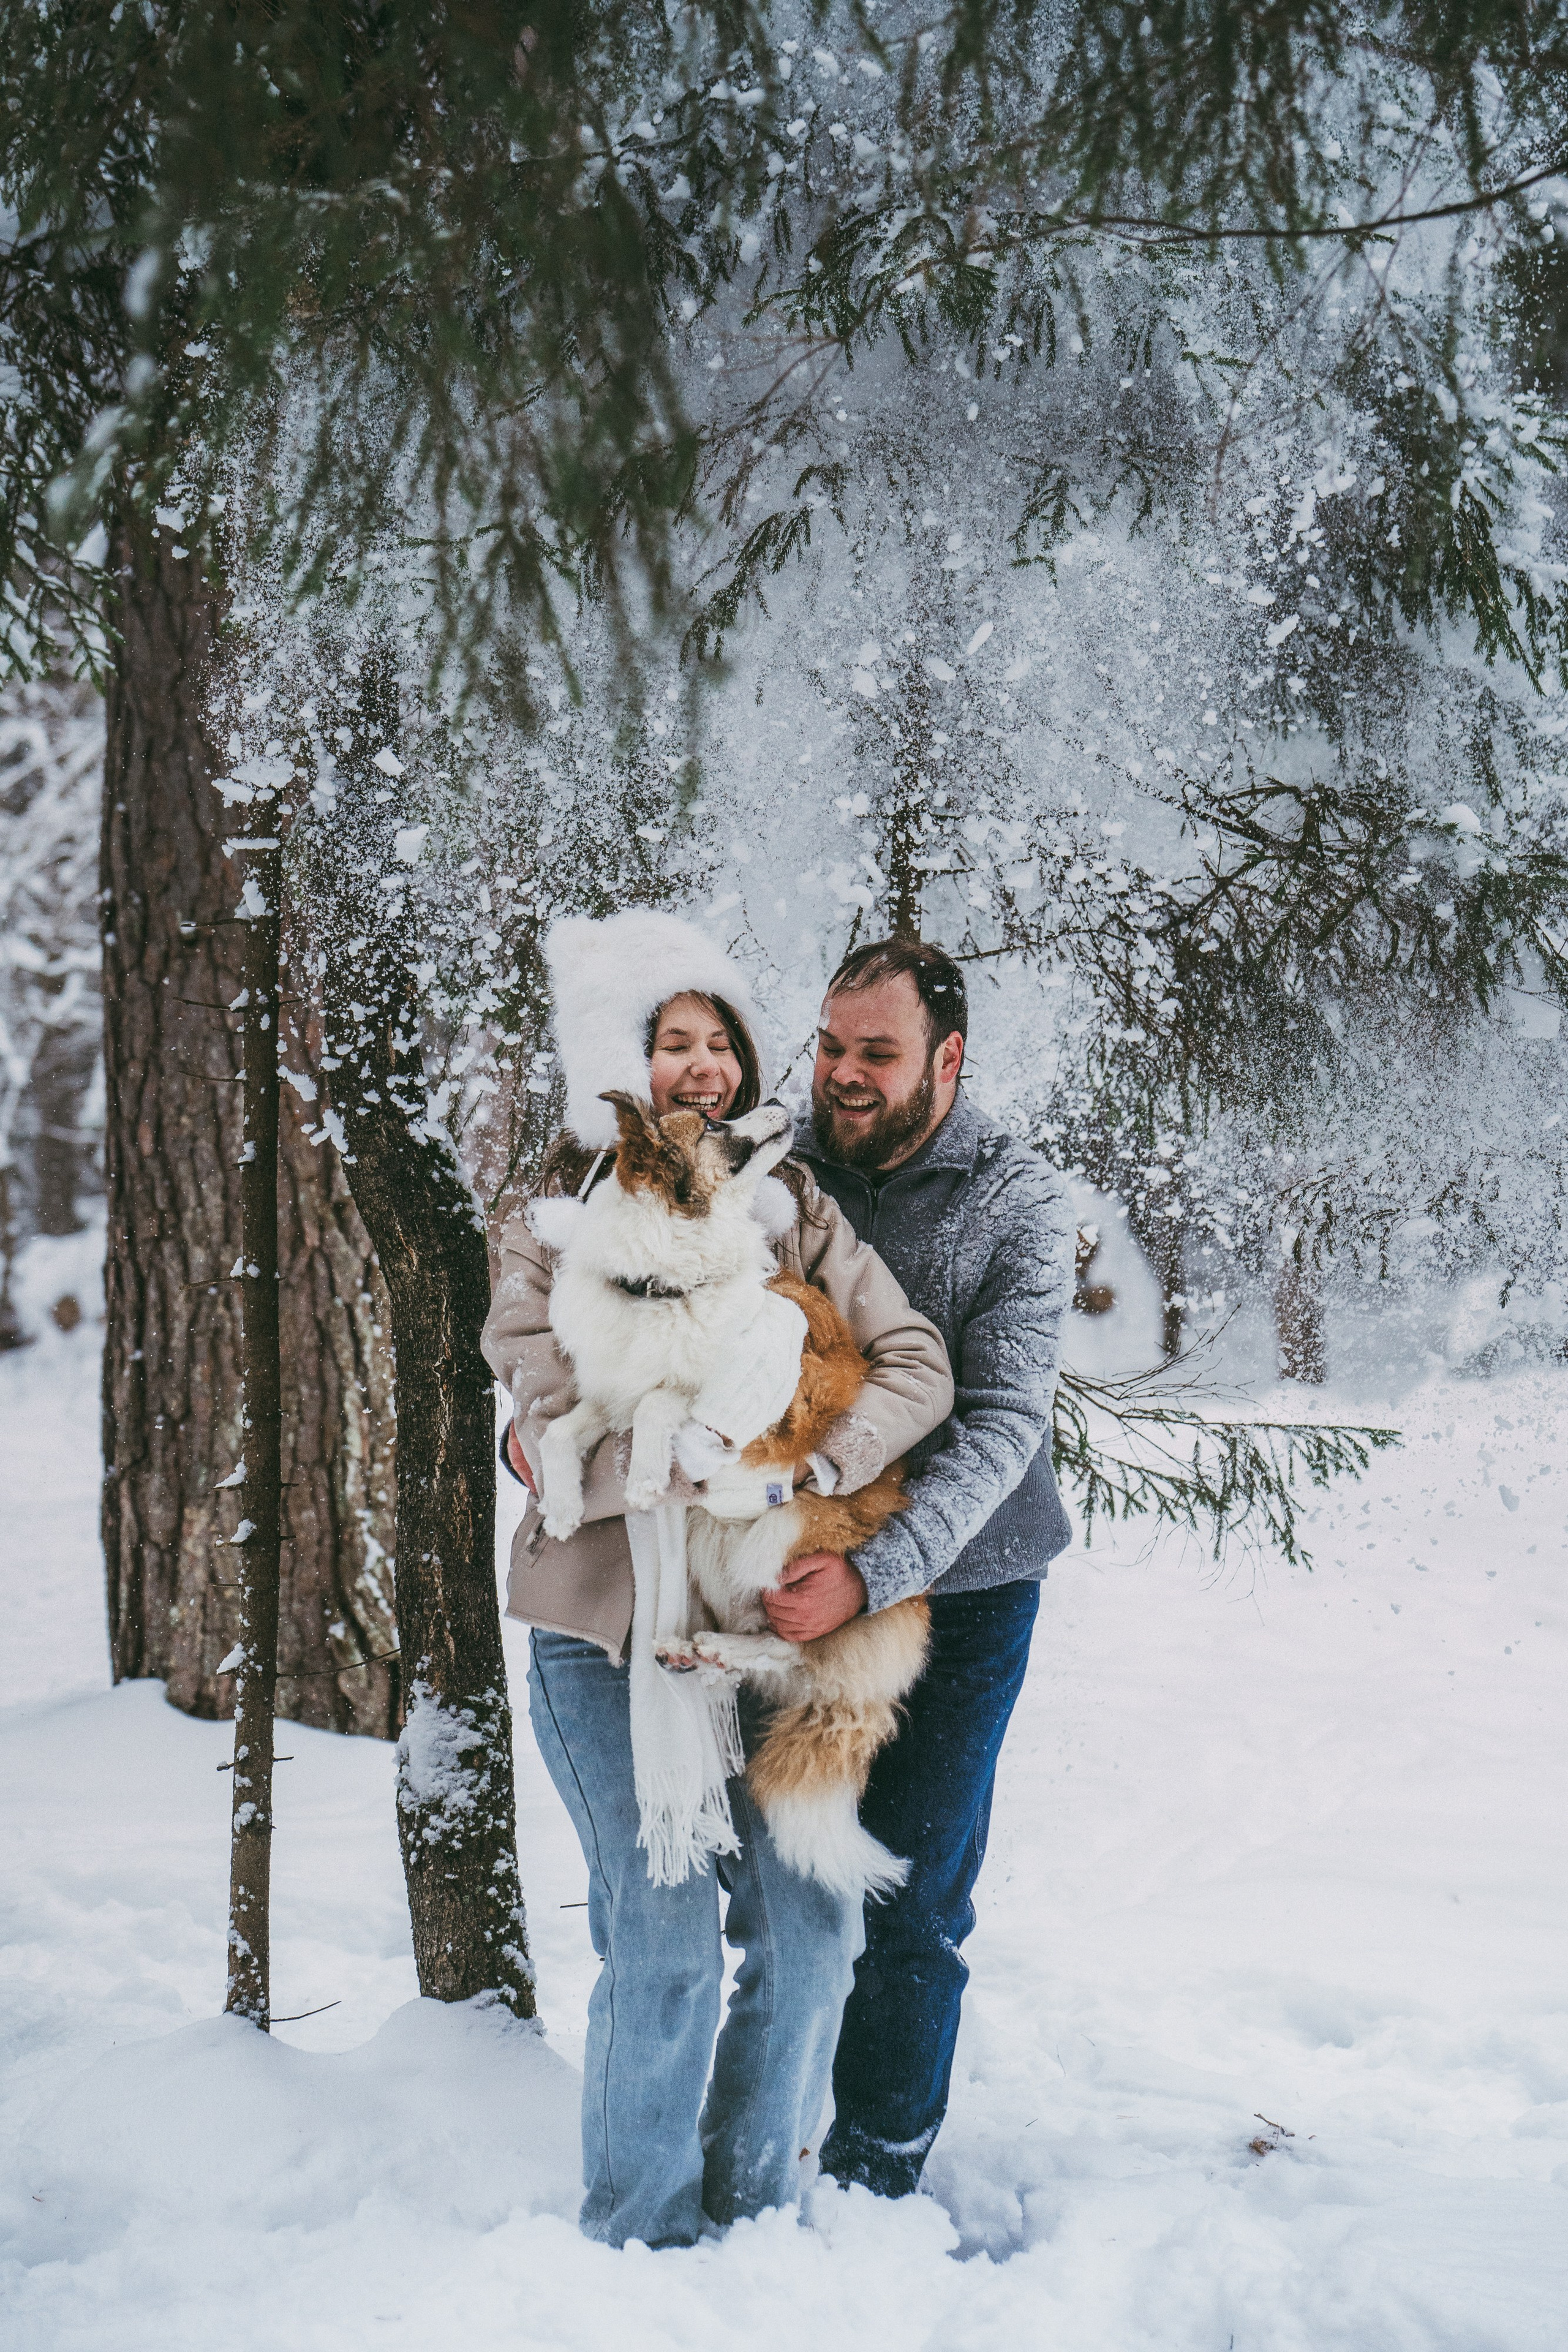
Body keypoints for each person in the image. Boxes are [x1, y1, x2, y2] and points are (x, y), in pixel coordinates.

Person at [480, 908, 953, 2250]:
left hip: (758, 1618)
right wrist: (647, 1456)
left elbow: (915, 1365)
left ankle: (753, 2221)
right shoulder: (553, 1225)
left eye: (721, 1044)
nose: (702, 1067)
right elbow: (537, 1404)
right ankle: (638, 2234)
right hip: (608, 1633)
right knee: (667, 1943)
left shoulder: (792, 1211)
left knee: (810, 1945)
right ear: (621, 1064)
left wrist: (801, 1465)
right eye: (672, 1042)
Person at [764, 936, 1075, 2201]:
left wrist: (880, 1571)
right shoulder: (774, 1162)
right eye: (831, 1046)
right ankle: (761, 2142)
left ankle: (875, 2172)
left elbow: (1002, 1424)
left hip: (967, 1588)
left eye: (877, 1054)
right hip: (792, 1568)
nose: (842, 1074)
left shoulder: (1017, 1199)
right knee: (774, 1887)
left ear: (947, 1060)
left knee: (911, 1892)